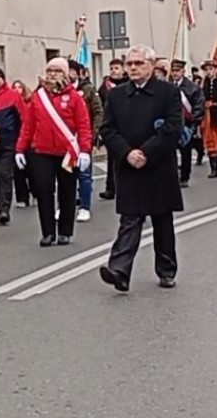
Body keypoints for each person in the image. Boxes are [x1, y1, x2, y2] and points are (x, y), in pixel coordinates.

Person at [98, 45, 182, 291]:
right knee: (130, 219)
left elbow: (173, 127)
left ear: (151, 64)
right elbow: (108, 130)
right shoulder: (116, 95)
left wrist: (146, 152)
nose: (133, 68)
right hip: (129, 167)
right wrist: (126, 152)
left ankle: (166, 270)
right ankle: (119, 271)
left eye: (138, 63)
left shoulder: (167, 93)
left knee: (162, 220)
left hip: (158, 166)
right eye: (129, 64)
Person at [15, 57, 92, 247]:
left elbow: (83, 126)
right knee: (43, 189)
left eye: (58, 71)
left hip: (67, 153)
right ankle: (48, 232)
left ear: (66, 74)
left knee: (67, 191)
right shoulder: (38, 96)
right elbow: (28, 125)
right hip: (41, 151)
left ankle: (65, 231)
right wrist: (20, 149)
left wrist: (85, 150)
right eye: (50, 70)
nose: (53, 74)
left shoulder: (75, 97)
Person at [0, 67, 27, 226]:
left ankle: (4, 209)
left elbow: (24, 119)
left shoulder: (13, 96)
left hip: (8, 143)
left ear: (3, 79)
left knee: (5, 175)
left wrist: (22, 143)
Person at [68, 60, 102, 222]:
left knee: (84, 174)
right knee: (65, 174)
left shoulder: (87, 89)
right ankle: (64, 206)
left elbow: (97, 112)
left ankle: (85, 207)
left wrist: (94, 134)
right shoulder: (55, 90)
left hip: (83, 137)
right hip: (64, 138)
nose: (68, 73)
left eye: (71, 70)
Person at [169, 59, 204, 188]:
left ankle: (185, 176)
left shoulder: (192, 87)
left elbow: (198, 106)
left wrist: (195, 123)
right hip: (171, 123)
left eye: (177, 71)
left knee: (186, 151)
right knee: (170, 151)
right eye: (173, 71)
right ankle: (172, 175)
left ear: (183, 71)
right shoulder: (167, 86)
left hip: (187, 123)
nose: (175, 73)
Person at [98, 59, 128, 201]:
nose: (114, 71)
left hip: (127, 126)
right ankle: (110, 188)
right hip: (112, 126)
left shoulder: (128, 84)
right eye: (111, 68)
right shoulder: (104, 87)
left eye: (116, 68)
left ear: (123, 70)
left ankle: (126, 187)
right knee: (112, 160)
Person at [10, 80, 34, 208]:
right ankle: (22, 197)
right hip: (15, 140)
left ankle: (35, 193)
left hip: (30, 141)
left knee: (31, 169)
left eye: (19, 87)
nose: (17, 90)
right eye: (15, 87)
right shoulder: (11, 103)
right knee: (17, 171)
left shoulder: (30, 102)